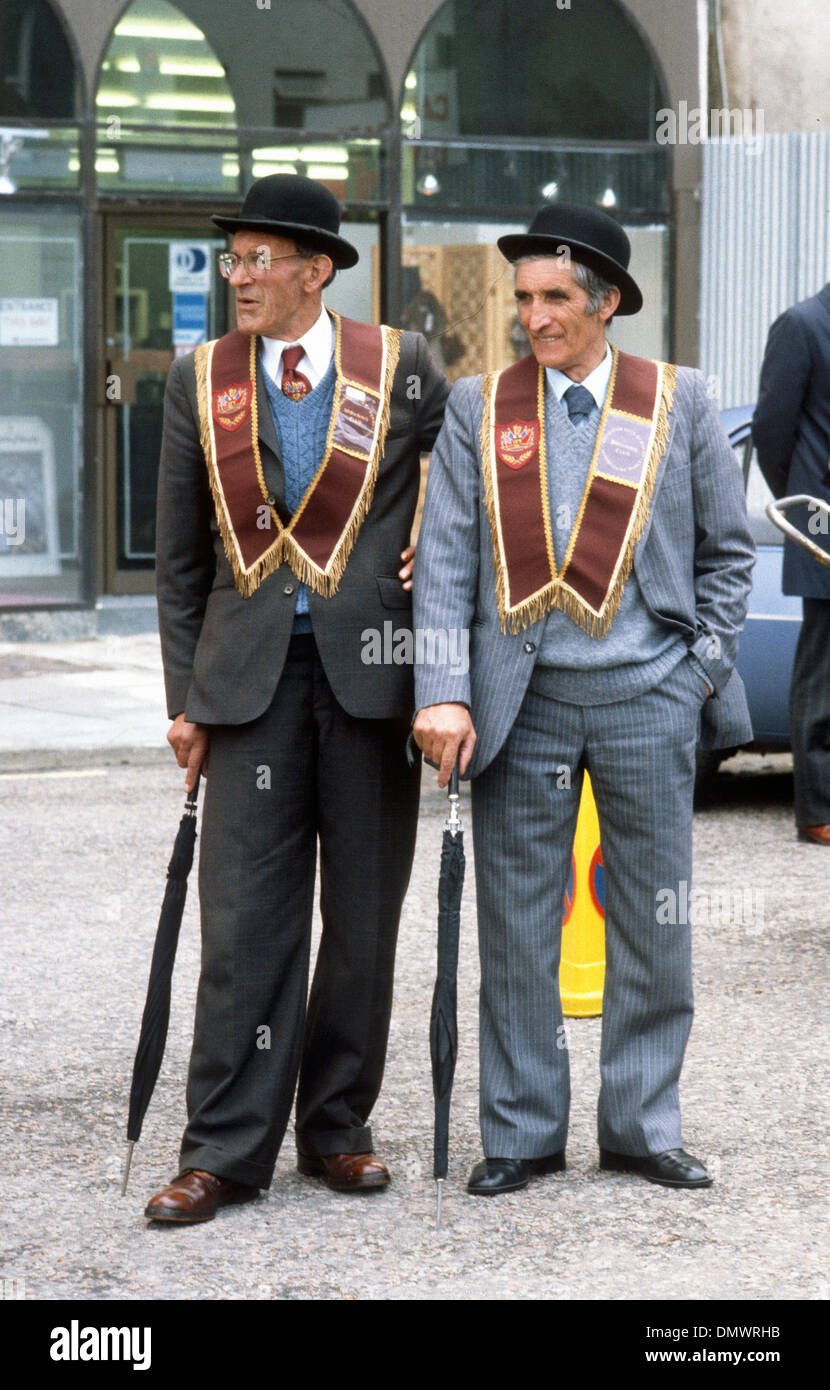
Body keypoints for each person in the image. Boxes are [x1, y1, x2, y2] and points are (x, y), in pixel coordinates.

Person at [412, 203, 754, 1196]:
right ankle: (519, 1132)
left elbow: (726, 555)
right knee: (518, 921)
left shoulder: (678, 400)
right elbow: (441, 565)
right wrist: (441, 691)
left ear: (606, 302)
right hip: (524, 699)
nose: (535, 316)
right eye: (523, 298)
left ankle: (642, 1125)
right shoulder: (479, 407)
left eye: (555, 297)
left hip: (650, 694)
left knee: (653, 916)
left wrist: (696, 673)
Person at [145, 174, 448, 1223]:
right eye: (234, 259)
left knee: (362, 921)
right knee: (241, 926)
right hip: (244, 688)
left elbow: (455, 494)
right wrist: (183, 698)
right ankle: (224, 1149)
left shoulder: (401, 369)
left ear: (315, 272)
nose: (241, 275)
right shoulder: (200, 379)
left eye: (261, 259)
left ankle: (335, 1128)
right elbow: (180, 563)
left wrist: (432, 540)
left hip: (372, 677)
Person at [752, 287, 830, 844]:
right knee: (823, 677)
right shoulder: (802, 325)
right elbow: (771, 433)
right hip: (824, 528)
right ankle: (820, 811)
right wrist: (805, 512)